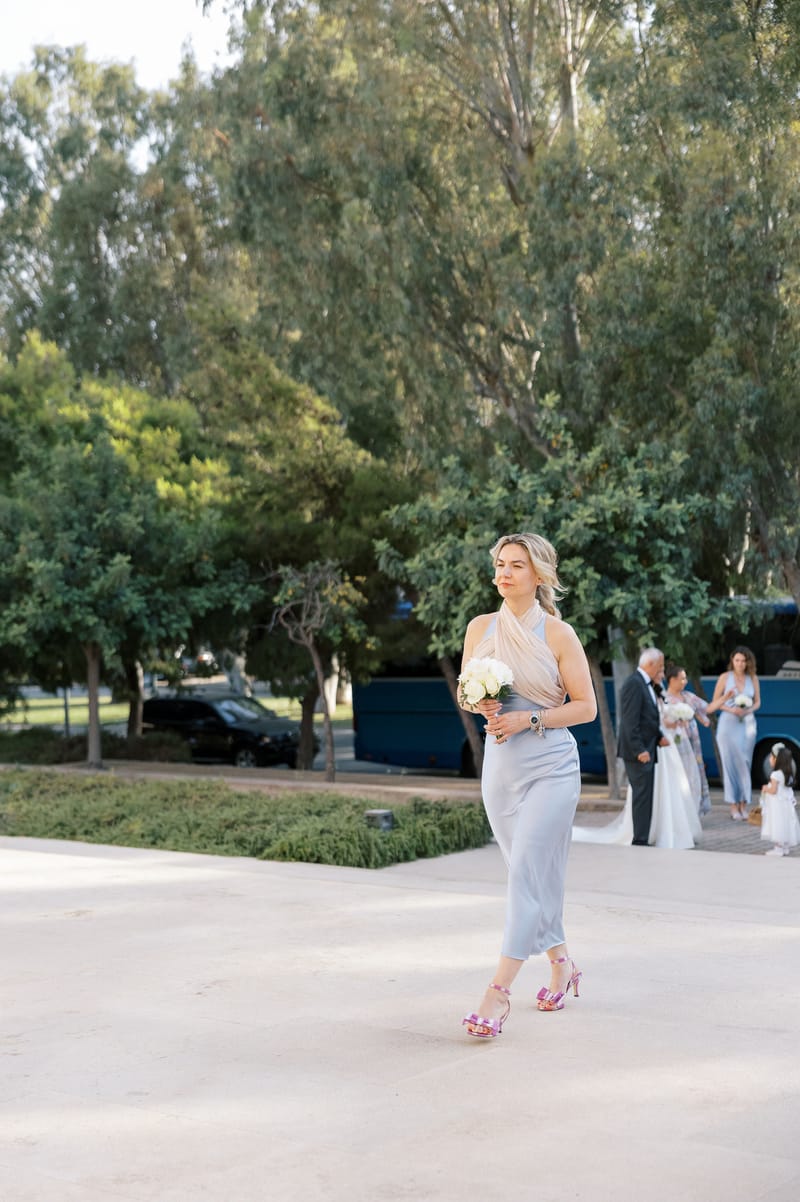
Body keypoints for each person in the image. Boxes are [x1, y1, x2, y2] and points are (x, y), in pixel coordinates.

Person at [458, 532, 597, 1039]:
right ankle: (562, 964)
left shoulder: (559, 634)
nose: (504, 572)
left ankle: (497, 993)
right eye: (500, 563)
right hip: (500, 770)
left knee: (524, 876)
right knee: (531, 875)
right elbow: (465, 692)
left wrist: (530, 718)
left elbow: (586, 707)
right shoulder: (479, 627)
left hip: (551, 768)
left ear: (538, 574)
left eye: (516, 564)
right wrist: (481, 704)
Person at [572, 675, 701, 850]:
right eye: (660, 671)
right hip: (651, 747)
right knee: (646, 792)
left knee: (668, 787)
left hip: (663, 745)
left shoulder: (658, 693)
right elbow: (636, 722)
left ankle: (662, 829)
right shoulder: (638, 687)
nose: (662, 675)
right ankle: (643, 835)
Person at [616, 647, 667, 845]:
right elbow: (630, 722)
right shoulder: (634, 684)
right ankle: (639, 840)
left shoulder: (647, 684)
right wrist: (639, 750)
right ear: (650, 664)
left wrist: (659, 736)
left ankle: (642, 837)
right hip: (639, 752)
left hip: (649, 748)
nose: (661, 669)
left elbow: (648, 718)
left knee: (646, 796)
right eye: (660, 665)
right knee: (642, 797)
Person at [661, 664, 720, 816]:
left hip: (693, 742)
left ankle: (694, 810)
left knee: (694, 775)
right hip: (676, 743)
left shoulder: (688, 696)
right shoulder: (664, 698)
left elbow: (707, 708)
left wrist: (724, 698)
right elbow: (662, 720)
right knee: (679, 776)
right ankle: (680, 812)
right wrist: (677, 721)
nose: (685, 681)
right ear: (672, 680)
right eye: (682, 679)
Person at [711, 646, 760, 821]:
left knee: (745, 762)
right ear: (732, 661)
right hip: (728, 724)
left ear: (748, 662)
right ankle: (733, 805)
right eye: (737, 660)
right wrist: (732, 710)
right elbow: (715, 701)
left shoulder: (752, 678)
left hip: (747, 724)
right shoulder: (725, 677)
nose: (740, 664)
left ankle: (743, 804)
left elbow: (758, 702)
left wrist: (747, 710)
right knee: (729, 763)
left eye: (743, 661)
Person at [759, 742, 800, 857]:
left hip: (777, 806)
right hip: (786, 805)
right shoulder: (788, 774)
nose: (770, 759)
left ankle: (778, 849)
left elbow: (773, 790)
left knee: (777, 825)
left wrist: (765, 788)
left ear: (777, 760)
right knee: (785, 825)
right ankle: (785, 848)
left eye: (772, 757)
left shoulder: (775, 775)